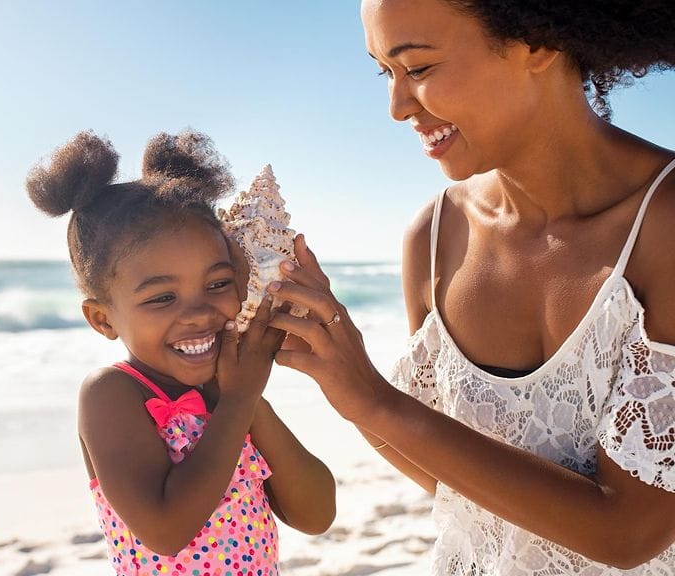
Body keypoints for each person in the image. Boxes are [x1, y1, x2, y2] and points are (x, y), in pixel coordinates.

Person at [264, 1, 675, 574]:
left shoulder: (664, 228)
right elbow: (445, 480)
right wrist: (342, 381)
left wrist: (376, 400)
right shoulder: (434, 239)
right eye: (386, 72)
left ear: (537, 41)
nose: (396, 106)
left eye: (419, 68)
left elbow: (632, 532)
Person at [26, 129, 336, 575]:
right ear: (103, 319)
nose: (199, 313)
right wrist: (238, 401)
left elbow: (316, 514)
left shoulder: (231, 390)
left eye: (217, 284)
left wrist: (250, 402)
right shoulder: (112, 394)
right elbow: (168, 531)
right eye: (161, 298)